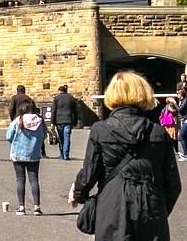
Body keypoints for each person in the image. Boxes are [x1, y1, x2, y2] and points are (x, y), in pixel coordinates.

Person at [69, 71, 181, 239]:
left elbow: (89, 173)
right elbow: (173, 184)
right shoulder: (158, 132)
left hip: (112, 206)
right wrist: (159, 208)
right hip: (151, 208)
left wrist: (78, 194)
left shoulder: (101, 130)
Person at [5, 98, 45, 215]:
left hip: (18, 154)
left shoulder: (17, 121)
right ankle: (37, 207)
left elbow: (9, 136)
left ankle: (21, 207)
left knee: (20, 179)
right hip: (34, 154)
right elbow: (44, 136)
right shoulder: (39, 121)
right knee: (34, 180)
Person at [49, 83, 80, 161]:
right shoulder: (71, 98)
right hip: (69, 120)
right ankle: (66, 154)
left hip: (59, 120)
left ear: (59, 91)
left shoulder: (56, 98)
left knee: (61, 138)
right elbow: (75, 111)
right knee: (67, 137)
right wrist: (75, 121)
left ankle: (62, 153)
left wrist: (52, 121)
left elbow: (53, 111)